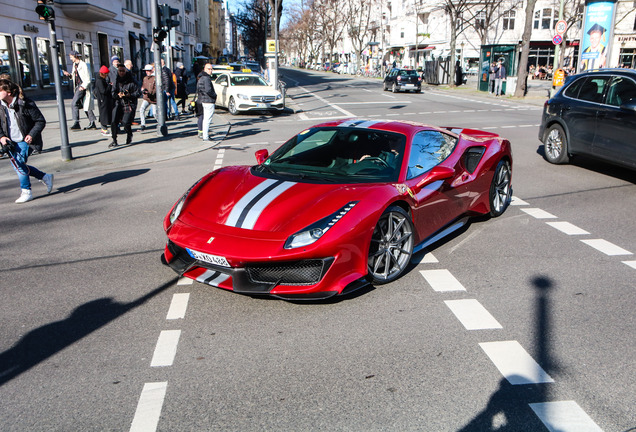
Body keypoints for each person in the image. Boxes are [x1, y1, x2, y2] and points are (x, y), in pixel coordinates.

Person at [0, 79, 53, 203]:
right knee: (19, 166)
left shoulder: (25, 103)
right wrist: (2, 137)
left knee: (19, 164)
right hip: (10, 141)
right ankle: (44, 176)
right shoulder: (1, 106)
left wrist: (31, 135)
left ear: (8, 92)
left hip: (25, 140)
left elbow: (40, 121)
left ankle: (26, 191)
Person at [64, 50, 96, 130]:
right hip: (78, 86)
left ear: (75, 56)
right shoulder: (75, 64)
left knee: (74, 103)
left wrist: (83, 86)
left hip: (82, 87)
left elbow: (88, 77)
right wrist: (69, 75)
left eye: (71, 57)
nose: (70, 59)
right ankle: (92, 123)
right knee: (85, 104)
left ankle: (76, 122)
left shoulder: (83, 65)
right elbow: (75, 76)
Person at [110, 64, 139, 147]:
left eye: (123, 71)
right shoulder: (116, 81)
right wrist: (117, 95)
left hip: (128, 104)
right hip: (118, 103)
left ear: (126, 71)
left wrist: (129, 95)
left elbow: (138, 93)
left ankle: (129, 134)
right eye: (120, 71)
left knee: (126, 122)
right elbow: (113, 93)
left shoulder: (131, 81)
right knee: (114, 122)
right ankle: (114, 139)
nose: (121, 73)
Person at [196, 63, 217, 141]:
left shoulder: (201, 77)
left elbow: (199, 89)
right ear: (204, 69)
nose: (210, 71)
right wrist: (214, 95)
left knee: (205, 119)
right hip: (208, 101)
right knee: (207, 120)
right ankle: (205, 136)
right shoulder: (206, 78)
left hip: (203, 100)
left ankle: (205, 135)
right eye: (209, 69)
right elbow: (208, 90)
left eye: (211, 69)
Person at [94, 65, 113, 136]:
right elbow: (103, 91)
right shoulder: (100, 81)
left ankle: (104, 129)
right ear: (103, 74)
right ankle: (104, 130)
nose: (107, 76)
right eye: (106, 74)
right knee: (104, 114)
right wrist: (109, 86)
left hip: (103, 99)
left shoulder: (100, 79)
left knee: (104, 113)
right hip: (103, 100)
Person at [139, 64, 156, 131]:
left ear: (151, 71)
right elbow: (143, 86)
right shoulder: (145, 78)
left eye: (148, 71)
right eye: (146, 71)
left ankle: (160, 122)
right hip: (146, 98)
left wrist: (150, 92)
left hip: (154, 98)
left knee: (154, 113)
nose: (147, 72)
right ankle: (143, 124)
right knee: (141, 109)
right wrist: (143, 90)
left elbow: (156, 89)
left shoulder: (155, 78)